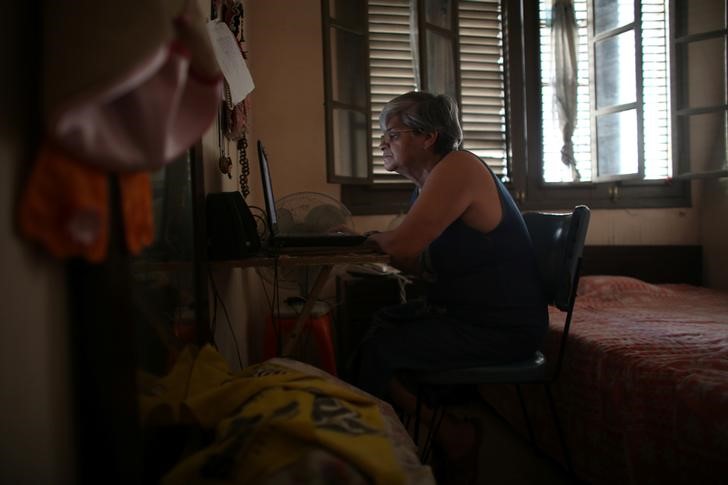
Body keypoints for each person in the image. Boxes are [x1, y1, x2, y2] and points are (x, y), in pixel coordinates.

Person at [354, 91, 548, 482]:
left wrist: (365, 238)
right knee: (377, 324)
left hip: (501, 326)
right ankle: (443, 431)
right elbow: (416, 258)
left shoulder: (459, 167)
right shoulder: (429, 184)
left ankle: (400, 450)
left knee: (378, 348)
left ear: (429, 137)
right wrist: (383, 240)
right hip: (470, 314)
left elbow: (406, 245)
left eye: (391, 134)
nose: (382, 144)